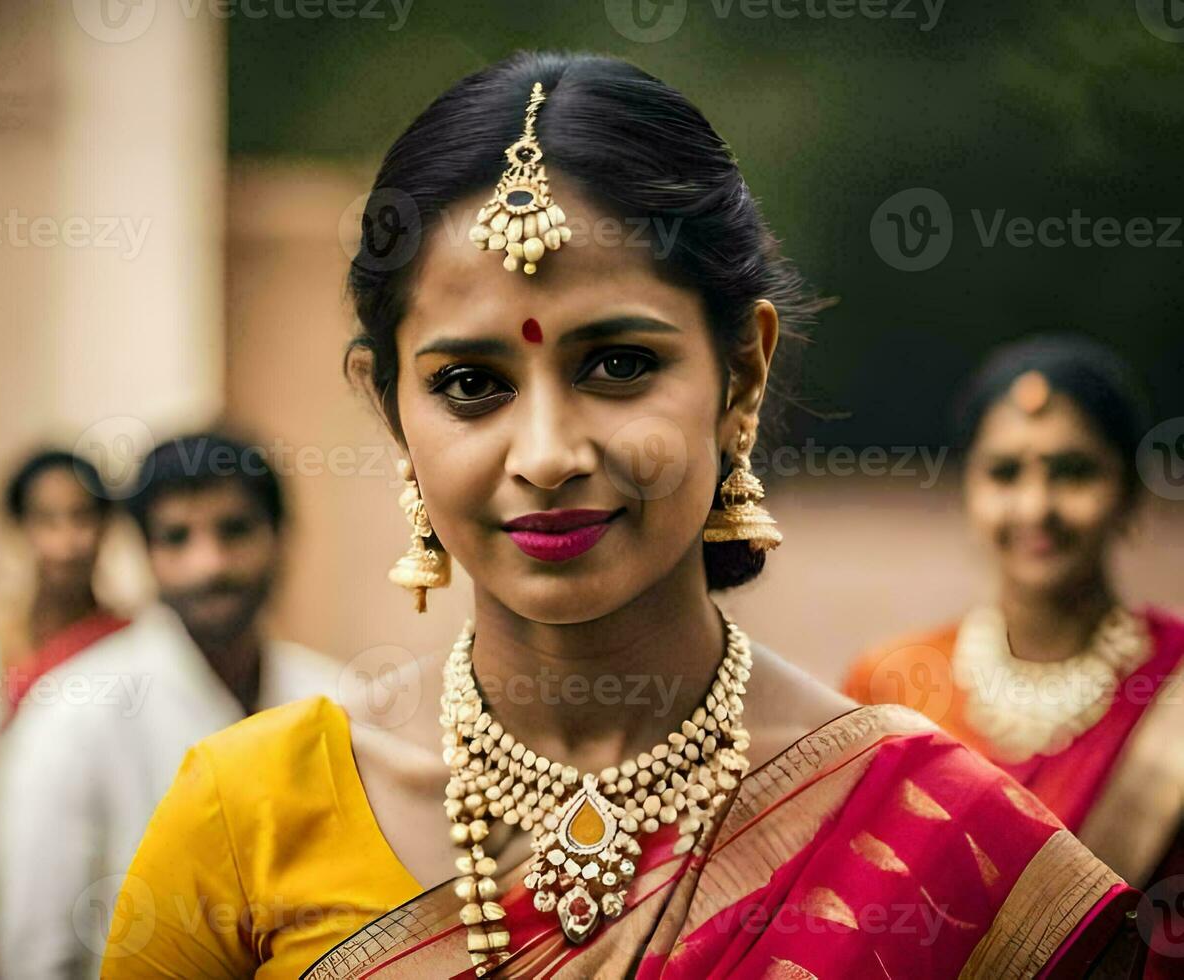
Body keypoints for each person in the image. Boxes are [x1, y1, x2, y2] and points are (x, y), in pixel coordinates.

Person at [101, 54, 1143, 978]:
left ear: (742, 372)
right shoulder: (245, 814)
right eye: (471, 383)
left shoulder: (931, 829)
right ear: (389, 406)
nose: (548, 453)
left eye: (618, 364)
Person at [844, 337, 1184, 959]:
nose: (1036, 507)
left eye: (1074, 472)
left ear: (1131, 495)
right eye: (1004, 473)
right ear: (967, 492)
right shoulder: (892, 684)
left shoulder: (1175, 686)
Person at [0, 428, 342, 980]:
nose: (210, 564)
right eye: (177, 538)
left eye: (235, 530)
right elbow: (35, 952)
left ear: (280, 536)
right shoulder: (72, 710)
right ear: (146, 555)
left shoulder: (337, 701)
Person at [0, 449, 129, 716]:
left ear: (105, 526)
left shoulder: (126, 640)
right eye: (47, 521)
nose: (66, 542)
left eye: (81, 518)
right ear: (20, 529)